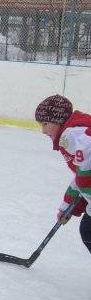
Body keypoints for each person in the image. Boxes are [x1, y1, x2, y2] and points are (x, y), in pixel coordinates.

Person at [34, 95, 91, 255]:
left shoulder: (70, 135)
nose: (43, 130)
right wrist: (68, 207)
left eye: (45, 124)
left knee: (88, 231)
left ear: (58, 120)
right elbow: (83, 175)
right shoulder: (75, 131)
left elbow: (85, 174)